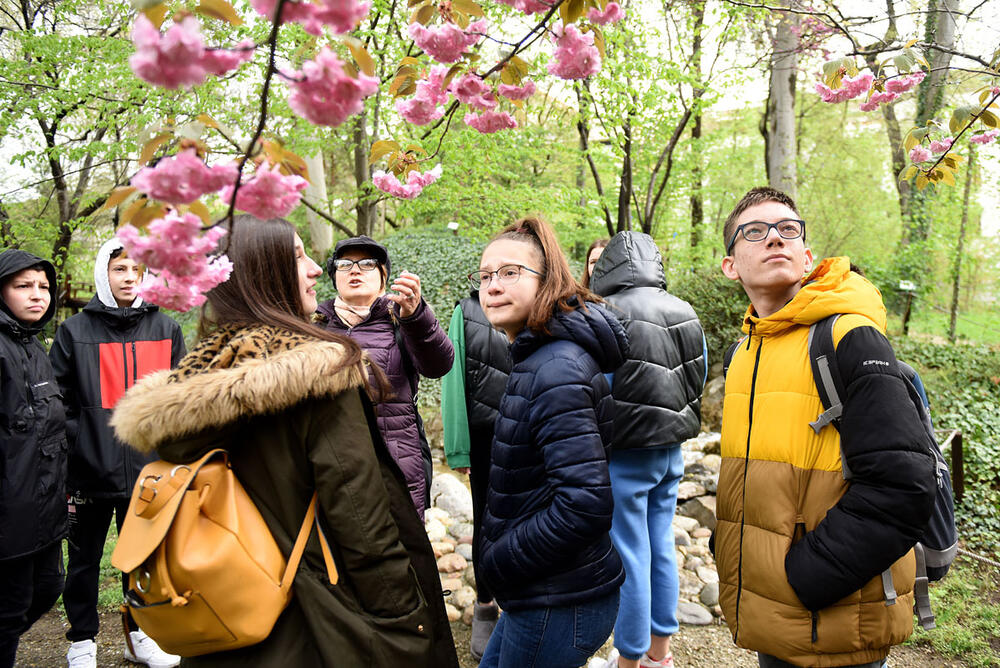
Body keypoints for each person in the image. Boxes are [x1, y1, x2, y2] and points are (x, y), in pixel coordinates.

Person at [109, 215, 459, 667]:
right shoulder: (319, 372)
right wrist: (407, 622)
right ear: (262, 272)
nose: (317, 269)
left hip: (225, 613)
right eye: (298, 257)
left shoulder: (195, 378)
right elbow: (362, 521)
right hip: (319, 621)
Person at [716, 186, 937, 668]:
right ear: (731, 265)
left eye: (788, 230)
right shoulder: (743, 354)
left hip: (832, 614)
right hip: (771, 611)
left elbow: (905, 484)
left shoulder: (846, 336)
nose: (775, 238)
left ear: (806, 254)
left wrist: (808, 577)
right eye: (755, 232)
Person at [472, 216, 626, 668]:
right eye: (484, 276)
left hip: (562, 599)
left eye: (510, 272)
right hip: (544, 591)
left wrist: (500, 561)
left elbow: (584, 504)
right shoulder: (536, 357)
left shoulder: (556, 369)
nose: (492, 286)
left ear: (547, 282)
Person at [49, 239, 185, 668]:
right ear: (103, 274)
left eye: (137, 270)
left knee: (143, 561)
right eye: (120, 269)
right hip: (88, 472)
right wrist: (81, 446)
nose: (129, 278)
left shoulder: (166, 328)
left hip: (148, 474)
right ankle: (82, 642)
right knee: (84, 561)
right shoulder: (74, 332)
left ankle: (140, 636)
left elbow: (180, 398)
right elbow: (60, 402)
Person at [588, 232, 707, 668]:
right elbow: (700, 372)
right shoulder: (684, 310)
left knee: (629, 551)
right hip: (670, 451)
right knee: (660, 544)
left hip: (624, 452)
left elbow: (595, 384)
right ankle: (661, 653)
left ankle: (630, 659)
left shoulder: (605, 312)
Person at [316, 235, 454, 519]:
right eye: (344, 264)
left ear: (383, 277)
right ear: (334, 278)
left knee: (402, 556)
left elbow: (439, 365)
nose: (354, 269)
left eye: (367, 263)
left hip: (397, 466)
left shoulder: (401, 320)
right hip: (333, 467)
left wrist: (416, 316)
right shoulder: (315, 326)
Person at [0, 250, 67, 668]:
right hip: (9, 515)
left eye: (43, 286)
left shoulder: (34, 346)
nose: (37, 295)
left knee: (47, 588)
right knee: (9, 611)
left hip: (44, 511)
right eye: (23, 286)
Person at [440, 292, 511, 661]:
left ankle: (521, 603)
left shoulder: (546, 304)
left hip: (534, 431)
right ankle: (486, 603)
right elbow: (453, 378)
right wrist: (458, 445)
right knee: (486, 518)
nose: (496, 281)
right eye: (487, 273)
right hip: (485, 434)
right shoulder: (466, 311)